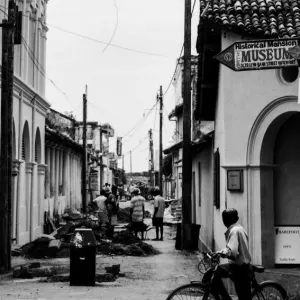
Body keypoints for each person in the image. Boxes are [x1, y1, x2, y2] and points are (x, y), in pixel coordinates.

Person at [211, 208, 252, 300]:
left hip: (241, 268)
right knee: (216, 273)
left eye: (224, 218)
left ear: (226, 220)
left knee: (244, 296)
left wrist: (219, 253)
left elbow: (232, 251)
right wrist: (219, 253)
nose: (223, 221)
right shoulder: (237, 228)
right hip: (236, 265)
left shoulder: (234, 231)